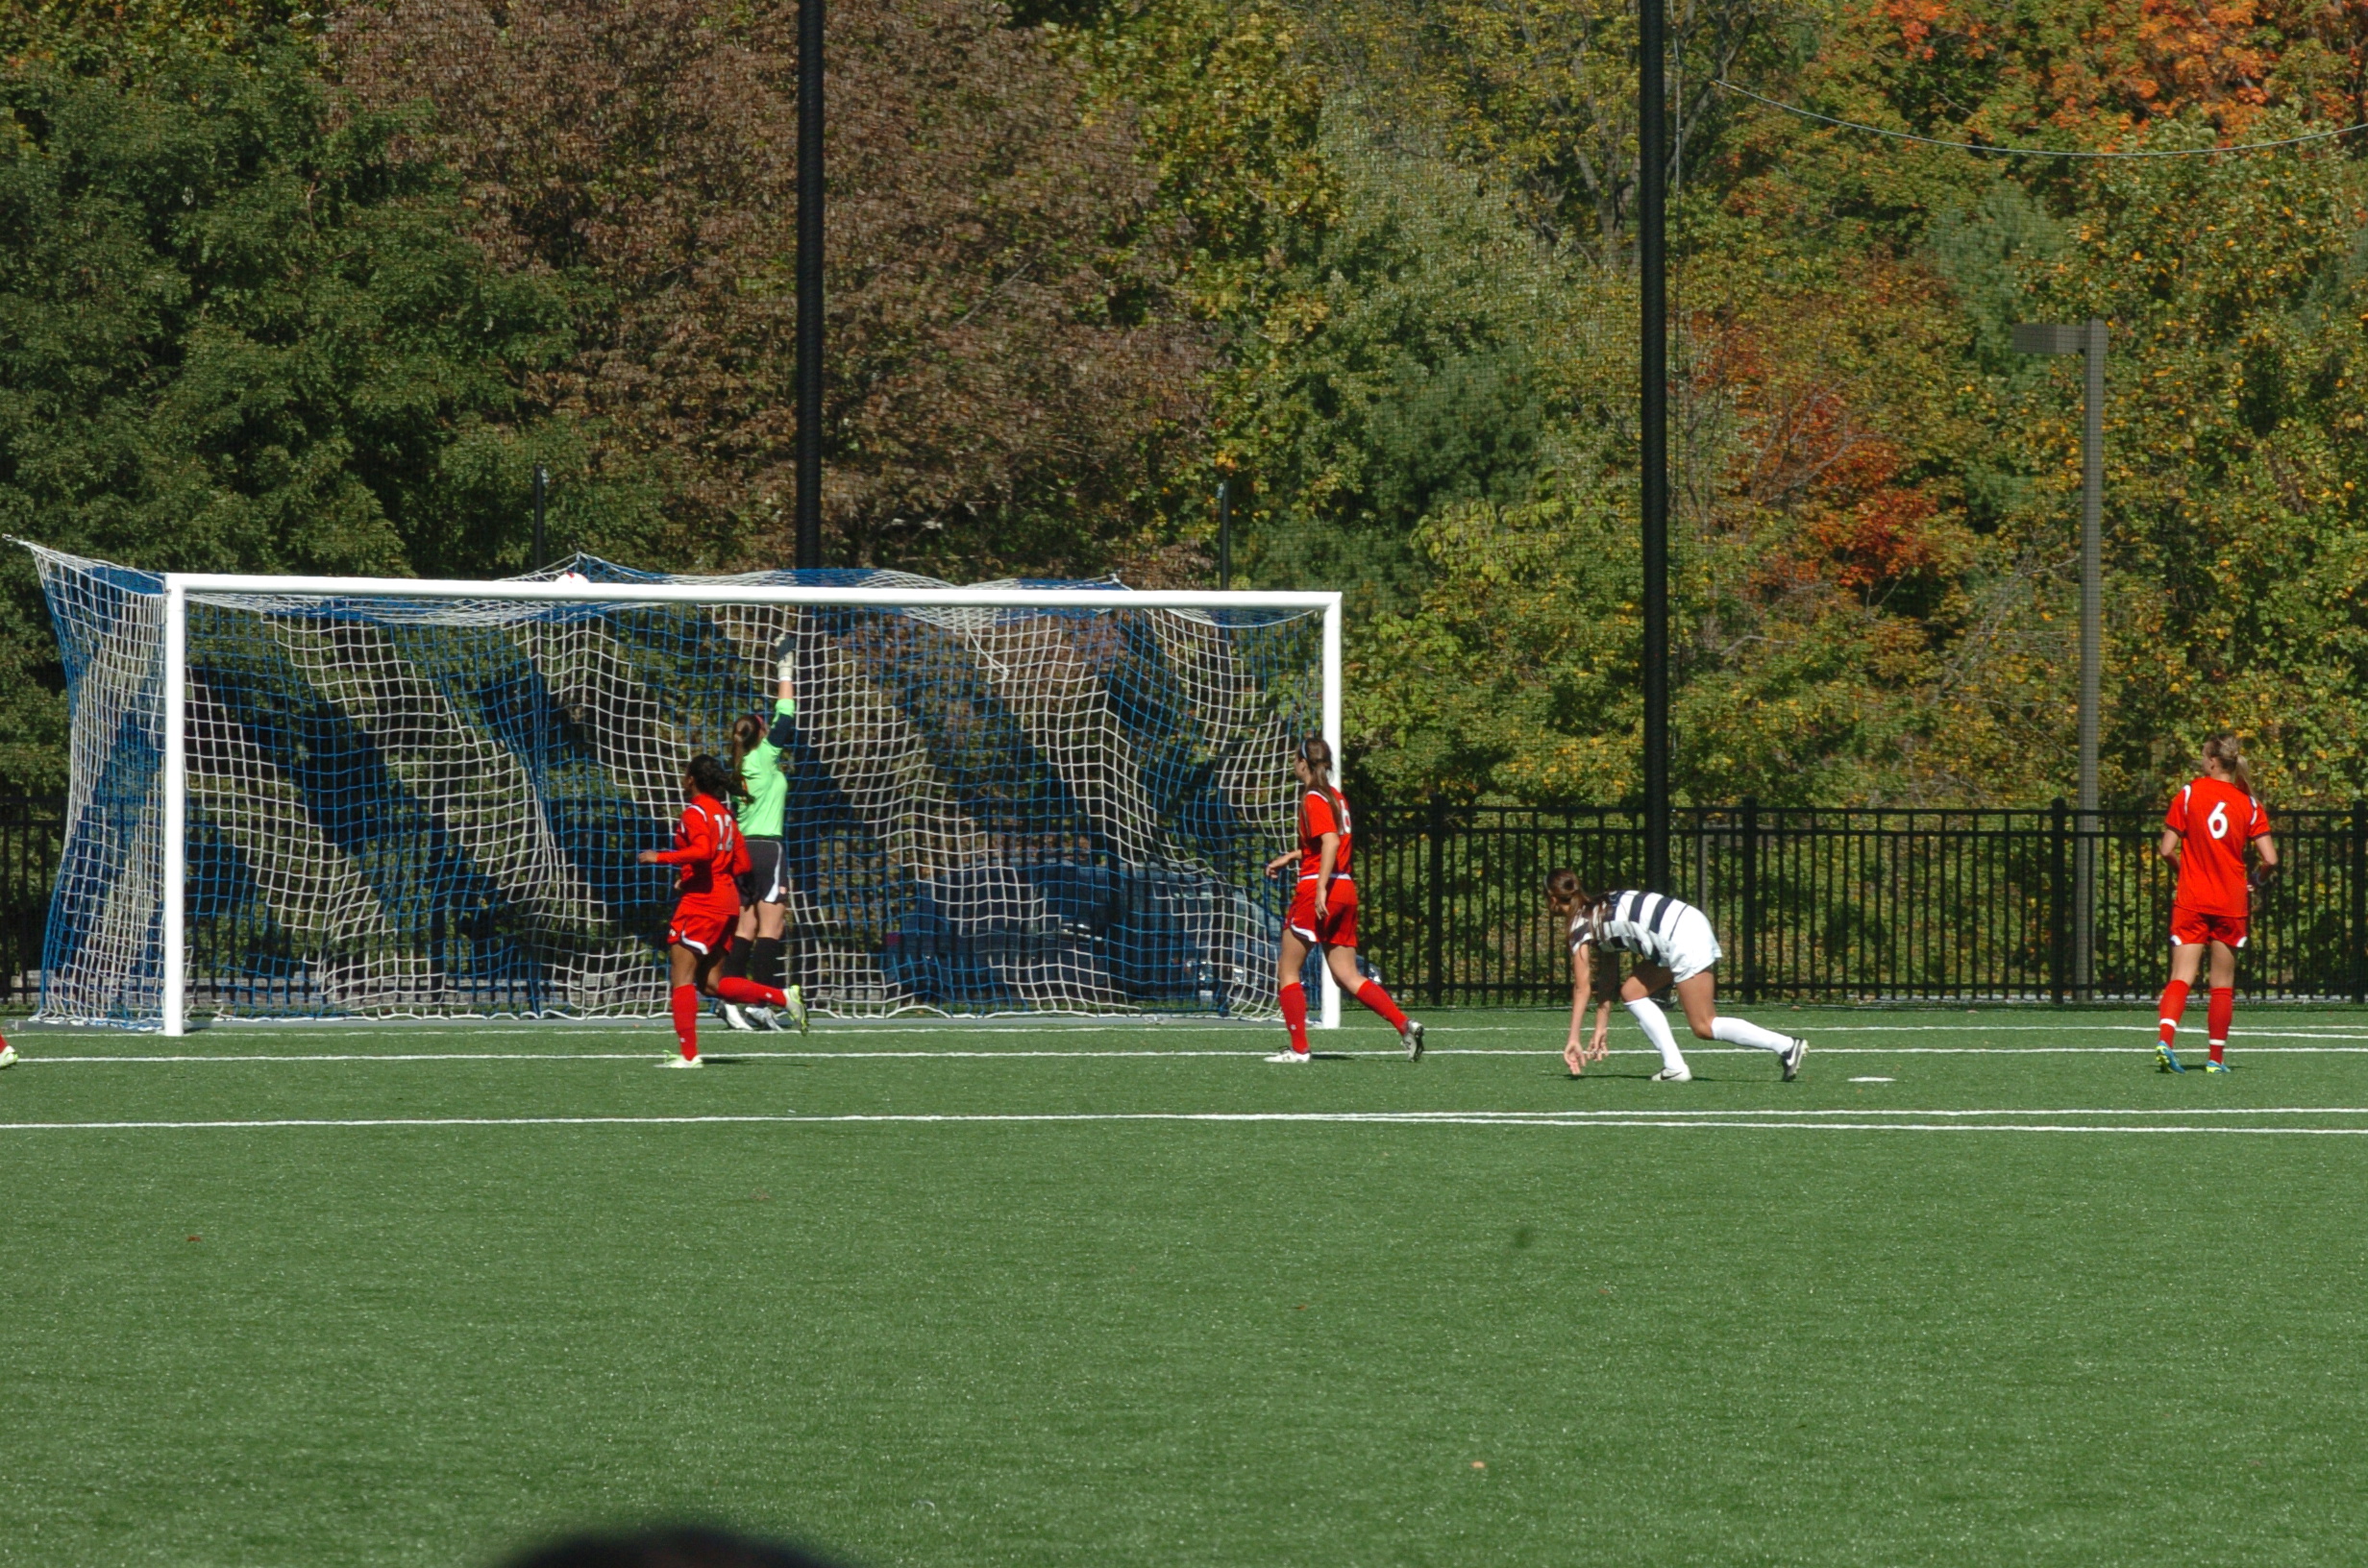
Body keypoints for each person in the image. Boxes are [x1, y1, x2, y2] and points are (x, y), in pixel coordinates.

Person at [1548, 869, 1806, 1083]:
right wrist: (1600, 1027)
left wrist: (1573, 1038)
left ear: (1552, 898)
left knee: (1704, 1026)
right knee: (1632, 992)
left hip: (1682, 937)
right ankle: (1674, 1067)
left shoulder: (1580, 926)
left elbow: (1582, 988)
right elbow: (1608, 975)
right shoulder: (1601, 905)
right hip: (1686, 924)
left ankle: (1785, 1046)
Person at [1262, 736, 1424, 1063]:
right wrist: (1292, 856)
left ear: (1303, 763)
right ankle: (1404, 1025)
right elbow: (1326, 843)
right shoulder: (1336, 797)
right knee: (1347, 975)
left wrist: (1320, 887)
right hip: (1345, 889)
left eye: (1295, 759)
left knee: (1288, 970)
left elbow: (1331, 842)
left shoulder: (1313, 797)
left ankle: (1299, 1049)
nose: (1293, 764)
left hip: (1318, 889)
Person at [638, 755, 793, 1066]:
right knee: (711, 983)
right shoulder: (726, 815)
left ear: (691, 780)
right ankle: (783, 998)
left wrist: (660, 858)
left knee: (682, 978)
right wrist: (700, 876)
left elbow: (702, 851)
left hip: (702, 903)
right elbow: (742, 864)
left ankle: (689, 1055)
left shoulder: (695, 812)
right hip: (727, 902)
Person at [2155, 730, 2278, 1073]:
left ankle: (2165, 1039)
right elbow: (2270, 858)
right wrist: (2256, 880)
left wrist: (2183, 872)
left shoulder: (2189, 793)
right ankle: (2215, 1059)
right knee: (2222, 984)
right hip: (2230, 901)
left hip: (2192, 898)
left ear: (2211, 761)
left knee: (2181, 975)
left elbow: (2166, 850)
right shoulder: (2249, 804)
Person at [717, 646, 807, 1035]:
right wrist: (785, 670)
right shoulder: (763, 757)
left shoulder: (738, 766)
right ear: (761, 734)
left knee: (745, 929)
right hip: (768, 849)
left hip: (742, 851)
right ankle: (761, 1004)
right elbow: (786, 715)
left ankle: (728, 1000)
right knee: (772, 930)